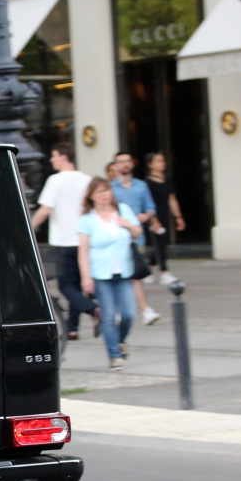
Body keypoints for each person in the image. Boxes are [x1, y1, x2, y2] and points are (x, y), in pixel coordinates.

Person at [31, 143, 98, 340]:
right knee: (75, 286)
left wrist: (30, 227)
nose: (51, 160)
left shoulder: (55, 180)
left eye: (54, 155)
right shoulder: (87, 180)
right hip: (85, 241)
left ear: (63, 157)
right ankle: (73, 329)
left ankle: (93, 309)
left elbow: (45, 209)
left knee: (65, 286)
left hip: (64, 242)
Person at [78, 177, 142, 371]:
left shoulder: (123, 210)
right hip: (101, 274)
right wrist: (86, 277)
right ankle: (114, 355)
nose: (105, 195)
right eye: (100, 192)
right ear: (91, 197)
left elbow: (138, 233)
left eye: (107, 191)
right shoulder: (87, 220)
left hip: (124, 271)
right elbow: (83, 250)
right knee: (108, 316)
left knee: (129, 314)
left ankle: (121, 340)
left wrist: (128, 226)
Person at [110, 152, 160, 326]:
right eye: (121, 162)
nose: (125, 164)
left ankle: (141, 310)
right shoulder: (110, 189)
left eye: (128, 161)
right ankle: (129, 310)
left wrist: (145, 217)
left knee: (134, 276)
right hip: (115, 239)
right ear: (115, 166)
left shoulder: (141, 186)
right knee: (121, 276)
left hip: (136, 238)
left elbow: (150, 208)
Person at [143, 152, 186, 287]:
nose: (162, 163)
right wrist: (153, 219)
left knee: (162, 242)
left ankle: (148, 270)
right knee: (159, 243)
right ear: (150, 165)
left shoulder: (168, 180)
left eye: (163, 160)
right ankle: (164, 272)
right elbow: (147, 202)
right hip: (153, 216)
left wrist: (178, 217)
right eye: (158, 161)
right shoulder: (147, 183)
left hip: (164, 214)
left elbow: (172, 199)